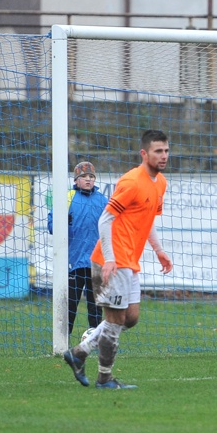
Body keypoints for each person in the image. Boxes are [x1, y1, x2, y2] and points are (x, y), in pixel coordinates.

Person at [62, 130, 173, 389]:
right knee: (115, 320)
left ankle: (78, 353)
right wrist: (110, 259)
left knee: (130, 318)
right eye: (158, 151)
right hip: (111, 259)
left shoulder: (161, 183)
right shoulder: (131, 182)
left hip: (129, 260)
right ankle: (105, 378)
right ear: (144, 154)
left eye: (166, 150)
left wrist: (158, 249)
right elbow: (105, 219)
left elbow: (149, 219)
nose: (164, 156)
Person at [48, 161, 108, 338]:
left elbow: (112, 225)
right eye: (84, 177)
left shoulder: (103, 201)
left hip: (97, 261)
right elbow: (52, 225)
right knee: (71, 303)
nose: (88, 180)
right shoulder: (67, 197)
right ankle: (63, 340)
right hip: (73, 261)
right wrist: (61, 222)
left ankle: (95, 339)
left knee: (96, 305)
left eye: (91, 176)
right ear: (76, 180)